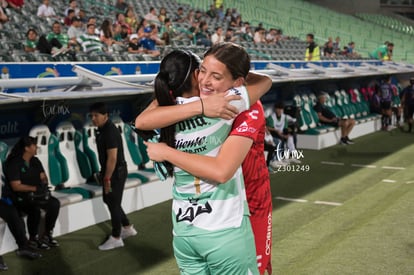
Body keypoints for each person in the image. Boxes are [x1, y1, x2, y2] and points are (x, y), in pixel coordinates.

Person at [135, 44, 273, 274]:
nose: (205, 80)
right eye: (202, 71)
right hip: (224, 228)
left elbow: (140, 122)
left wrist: (165, 151)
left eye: (214, 75)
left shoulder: (168, 110)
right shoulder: (229, 103)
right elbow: (266, 82)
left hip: (184, 231)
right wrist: (229, 80)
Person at [89, 102, 137, 251]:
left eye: (96, 115)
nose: (93, 119)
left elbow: (112, 158)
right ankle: (127, 228)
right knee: (111, 200)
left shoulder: (109, 131)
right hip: (113, 172)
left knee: (112, 203)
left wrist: (107, 178)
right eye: (91, 116)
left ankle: (116, 237)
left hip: (115, 173)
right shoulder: (102, 130)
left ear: (106, 116)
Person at [3, 136, 60, 249]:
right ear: (27, 148)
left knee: (54, 203)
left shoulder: (35, 161)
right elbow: (16, 186)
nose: (37, 147)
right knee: (34, 209)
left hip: (37, 194)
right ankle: (33, 238)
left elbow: (43, 177)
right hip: (21, 197)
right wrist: (35, 189)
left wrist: (43, 184)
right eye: (34, 145)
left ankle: (47, 235)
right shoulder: (15, 163)